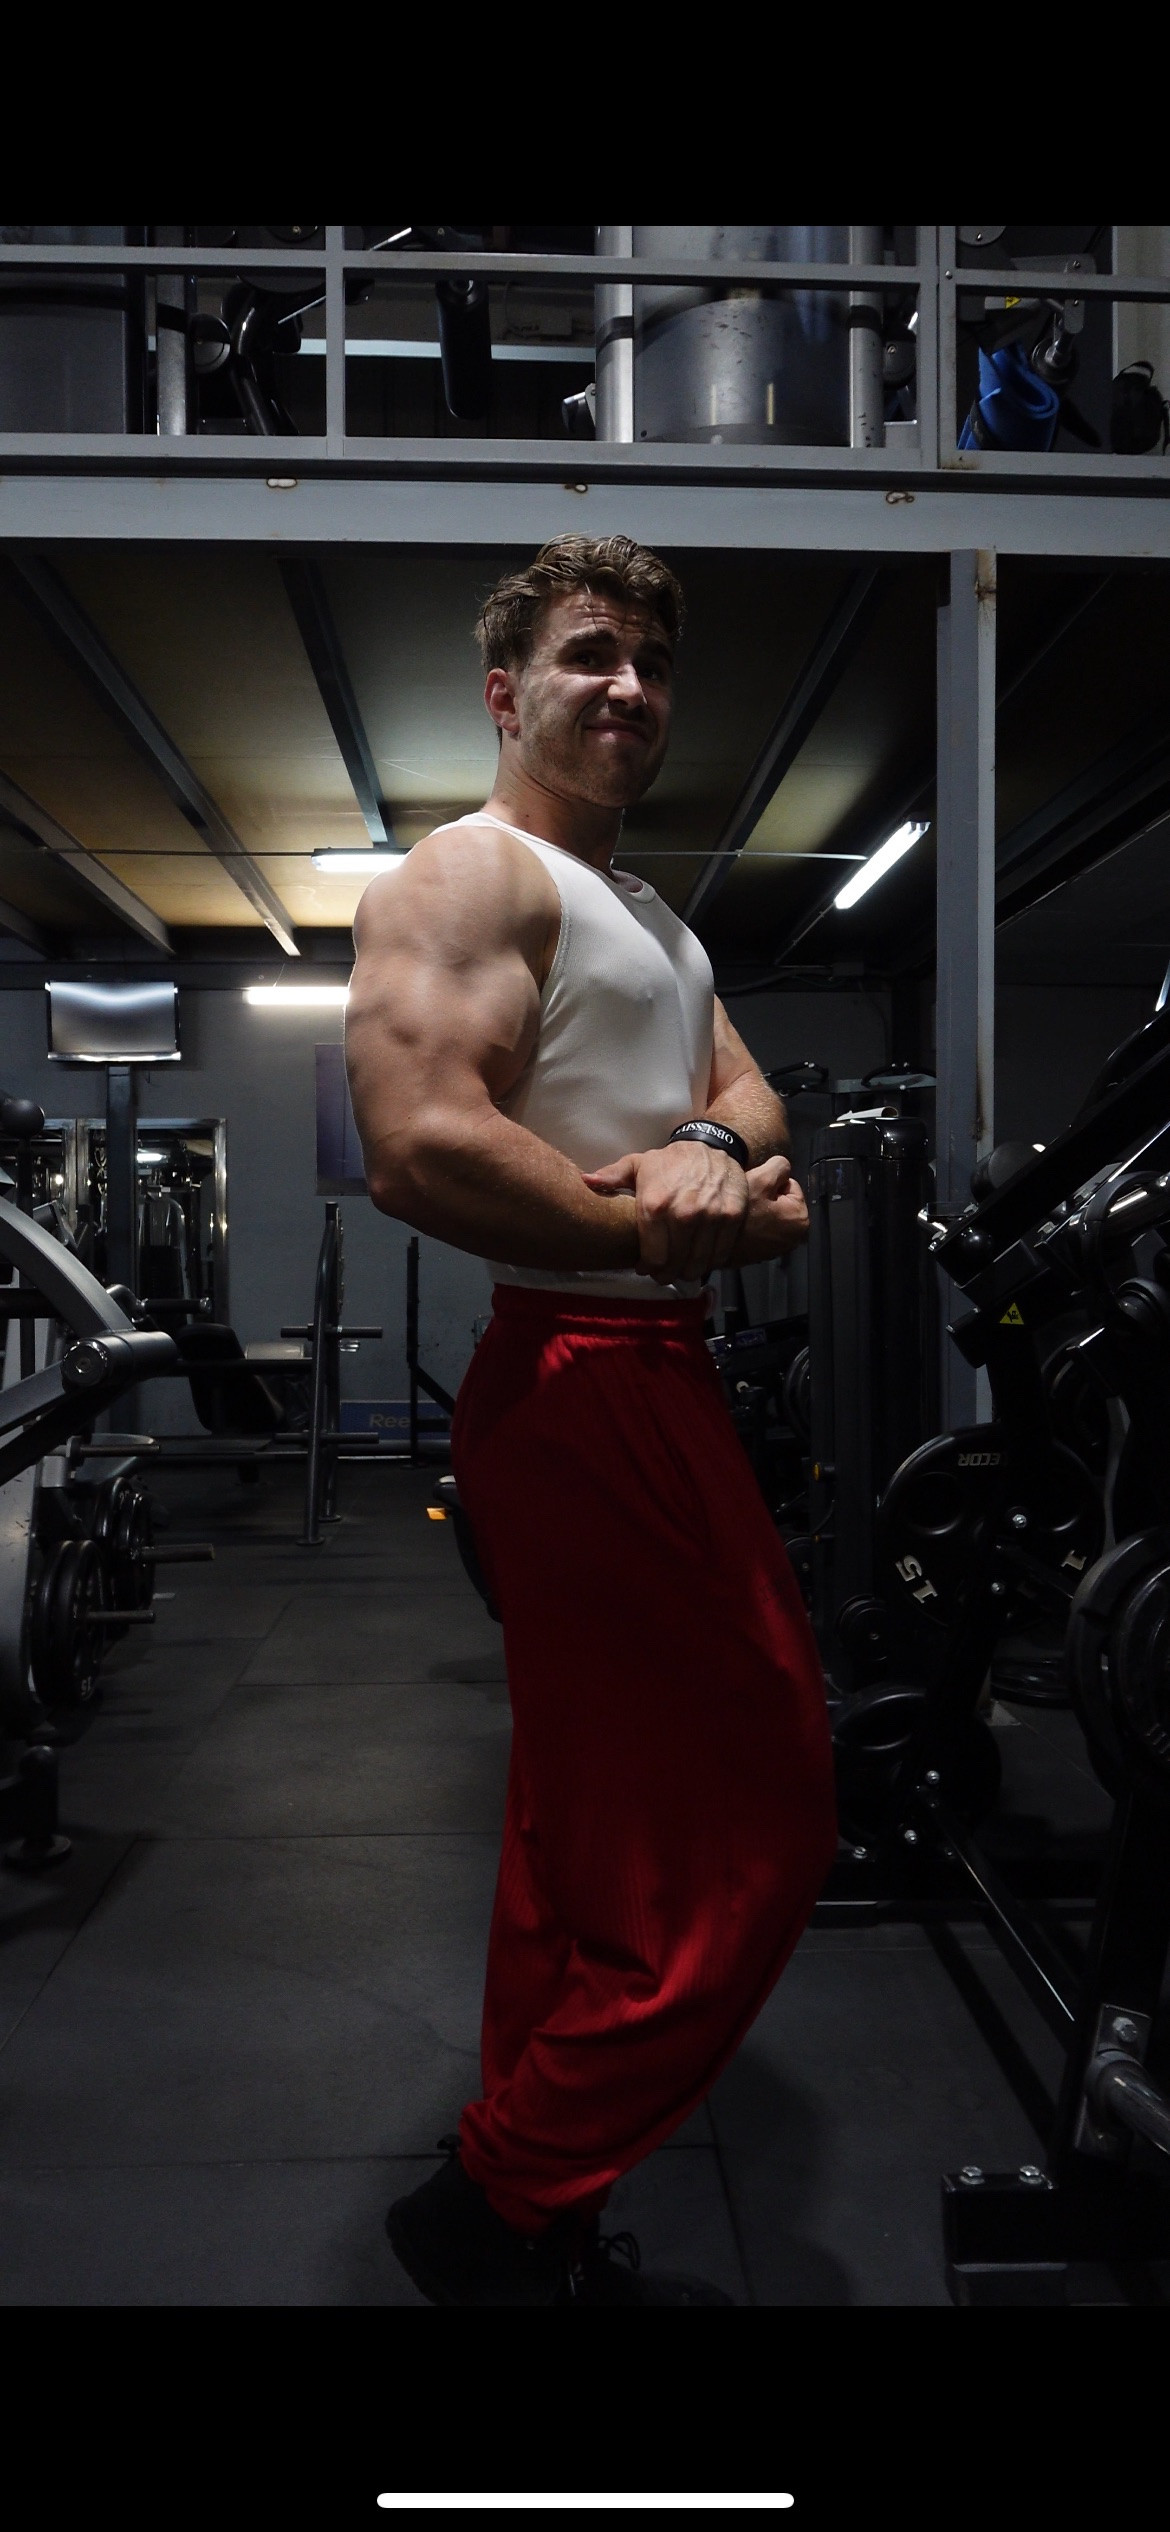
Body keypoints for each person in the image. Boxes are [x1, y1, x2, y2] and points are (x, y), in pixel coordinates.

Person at [345, 534, 837, 2305]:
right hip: (579, 1373)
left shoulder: (657, 921)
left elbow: (759, 1109)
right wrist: (668, 1228)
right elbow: (422, 1143)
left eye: (651, 663)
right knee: (771, 1812)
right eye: (587, 654)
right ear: (506, 691)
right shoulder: (470, 874)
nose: (627, 687)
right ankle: (495, 2198)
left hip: (646, 1368)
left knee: (583, 1838)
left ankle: (535, 2226)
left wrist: (705, 1149)